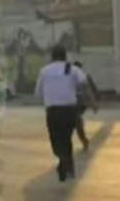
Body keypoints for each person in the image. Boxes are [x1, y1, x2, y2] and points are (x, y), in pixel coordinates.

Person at [35, 46, 94, 182]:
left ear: (52, 56)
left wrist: (49, 96)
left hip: (53, 111)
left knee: (56, 139)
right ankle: (67, 166)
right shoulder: (72, 69)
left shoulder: (44, 71)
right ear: (65, 56)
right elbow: (84, 85)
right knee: (66, 139)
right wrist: (91, 101)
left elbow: (38, 93)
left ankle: (63, 162)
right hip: (69, 110)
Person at [72, 61, 98, 151]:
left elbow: (90, 90)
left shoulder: (84, 77)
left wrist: (93, 103)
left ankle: (83, 139)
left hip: (79, 102)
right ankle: (83, 139)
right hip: (77, 103)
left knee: (76, 120)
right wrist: (93, 103)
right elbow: (93, 89)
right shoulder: (83, 76)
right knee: (75, 121)